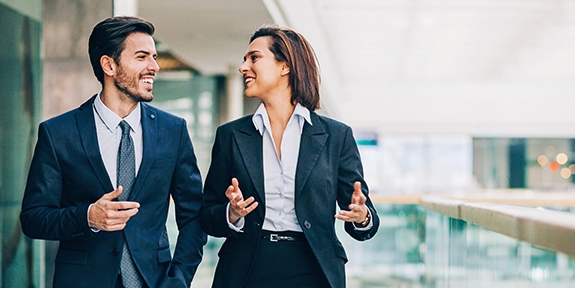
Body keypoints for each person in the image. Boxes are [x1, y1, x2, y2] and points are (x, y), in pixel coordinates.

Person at [20, 16, 206, 288]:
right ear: (109, 65)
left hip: (155, 281)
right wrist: (88, 216)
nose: (154, 66)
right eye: (142, 57)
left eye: (154, 57)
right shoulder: (58, 133)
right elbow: (33, 218)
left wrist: (179, 278)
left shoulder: (172, 130)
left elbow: (193, 215)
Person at [199, 24, 380, 288]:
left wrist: (361, 215)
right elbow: (207, 215)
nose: (243, 67)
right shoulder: (231, 135)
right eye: (244, 59)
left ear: (285, 66)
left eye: (255, 58)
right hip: (247, 269)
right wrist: (233, 212)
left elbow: (366, 220)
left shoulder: (335, 136)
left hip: (314, 269)